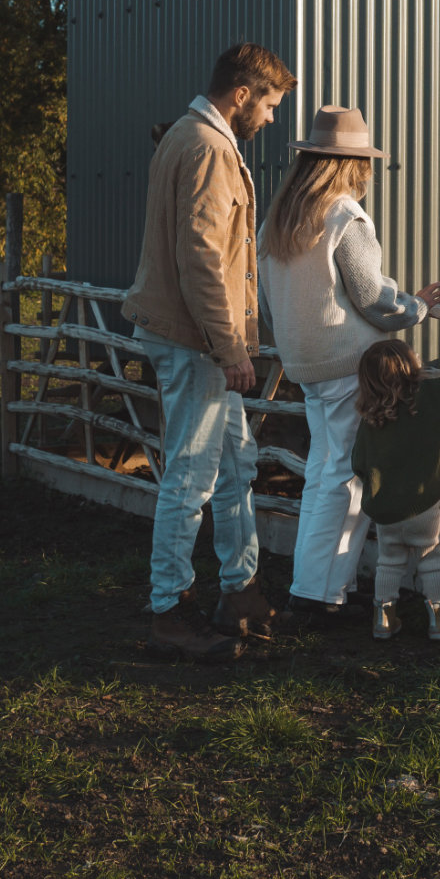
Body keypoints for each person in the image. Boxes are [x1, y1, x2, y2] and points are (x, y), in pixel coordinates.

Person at [123, 41, 297, 661]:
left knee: (235, 467)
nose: (272, 118)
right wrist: (229, 349)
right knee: (192, 477)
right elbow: (201, 259)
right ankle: (170, 608)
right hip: (195, 340)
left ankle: (240, 590)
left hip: (195, 336)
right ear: (242, 94)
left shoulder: (190, 136)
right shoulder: (206, 147)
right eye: (271, 104)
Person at [258, 105, 440, 623]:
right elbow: (370, 295)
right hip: (350, 364)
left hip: (306, 363)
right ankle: (318, 597)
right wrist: (420, 307)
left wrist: (297, 347)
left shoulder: (278, 218)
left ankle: (313, 586)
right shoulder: (344, 214)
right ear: (352, 165)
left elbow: (266, 303)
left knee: (323, 473)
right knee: (348, 475)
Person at [351, 321, 440, 641]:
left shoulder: (372, 416)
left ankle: (383, 620)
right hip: (420, 507)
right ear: (411, 366)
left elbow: (358, 462)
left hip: (384, 510)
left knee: (388, 563)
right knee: (431, 560)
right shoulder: (431, 397)